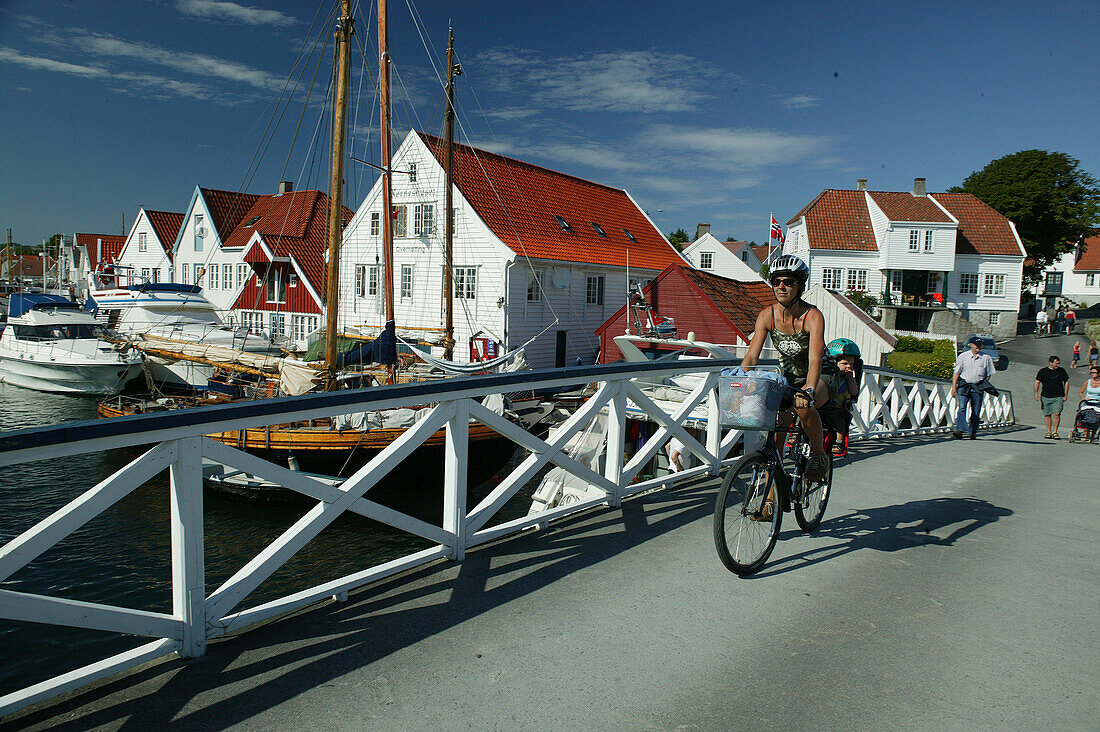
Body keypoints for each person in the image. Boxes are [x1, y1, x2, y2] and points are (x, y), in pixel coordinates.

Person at [740, 254, 831, 484]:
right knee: (776, 431)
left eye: (789, 282)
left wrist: (809, 389)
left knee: (803, 405)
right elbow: (751, 355)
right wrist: (741, 381)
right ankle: (771, 499)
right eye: (777, 281)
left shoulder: (813, 316)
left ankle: (820, 455)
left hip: (823, 376)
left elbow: (814, 360)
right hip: (790, 377)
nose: (782, 286)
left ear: (800, 285)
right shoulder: (766, 315)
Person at [951, 335, 997, 439]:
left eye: (980, 345)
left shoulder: (986, 358)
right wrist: (954, 387)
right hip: (964, 385)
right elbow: (956, 373)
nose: (979, 347)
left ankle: (973, 432)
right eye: (976, 345)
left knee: (976, 410)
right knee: (962, 407)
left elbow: (989, 373)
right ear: (971, 345)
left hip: (977, 387)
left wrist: (982, 384)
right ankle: (960, 430)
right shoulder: (963, 356)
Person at [821, 338, 861, 455]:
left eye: (851, 364)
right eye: (845, 363)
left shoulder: (849, 379)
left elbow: (854, 392)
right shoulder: (828, 377)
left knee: (840, 419)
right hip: (823, 404)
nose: (849, 366)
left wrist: (850, 379)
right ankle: (797, 433)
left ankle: (839, 442)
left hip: (838, 408)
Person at [1034, 355, 1070, 439]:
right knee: (1047, 414)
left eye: (1059, 363)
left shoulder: (1061, 371)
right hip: (1046, 396)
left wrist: (1066, 394)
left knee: (1057, 413)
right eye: (1056, 363)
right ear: (1051, 363)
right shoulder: (1043, 371)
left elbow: (1066, 382)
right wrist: (1036, 393)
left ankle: (1055, 432)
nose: (1058, 365)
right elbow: (1037, 382)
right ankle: (1049, 432)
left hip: (1058, 396)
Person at [1077, 365, 1100, 442]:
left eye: (1095, 373)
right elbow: (1080, 392)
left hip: (1097, 403)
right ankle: (1086, 434)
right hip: (1088, 402)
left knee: (1095, 419)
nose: (1093, 374)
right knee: (1086, 418)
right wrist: (1084, 398)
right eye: (1092, 373)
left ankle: (1092, 436)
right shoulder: (1088, 382)